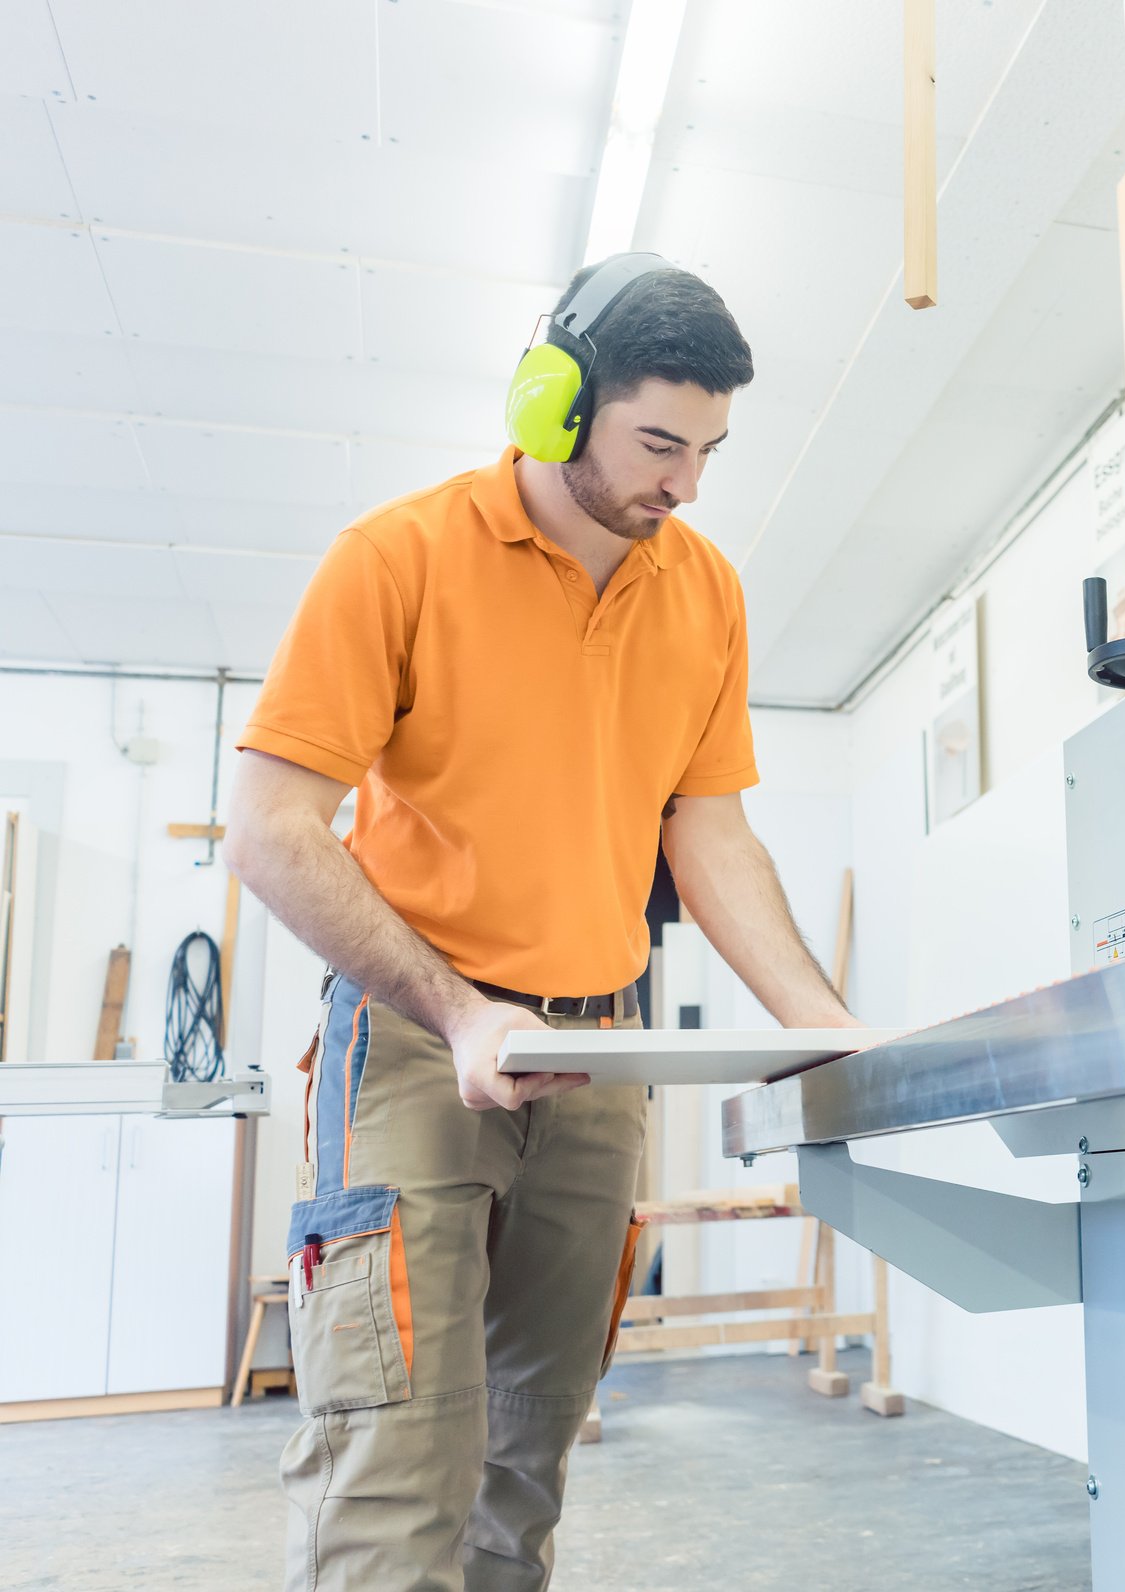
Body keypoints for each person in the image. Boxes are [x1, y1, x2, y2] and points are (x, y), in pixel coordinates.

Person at [224, 255, 861, 1592]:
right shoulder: (397, 556)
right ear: (553, 405)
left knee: (530, 1458)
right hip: (410, 1041)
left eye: (709, 451)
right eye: (658, 443)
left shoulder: (703, 591)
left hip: (600, 1063)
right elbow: (271, 833)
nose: (685, 483)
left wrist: (827, 1028)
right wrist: (459, 1010)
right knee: (396, 1466)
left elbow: (708, 832)